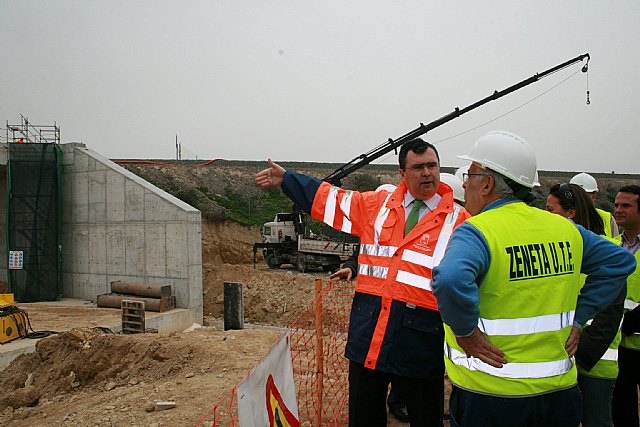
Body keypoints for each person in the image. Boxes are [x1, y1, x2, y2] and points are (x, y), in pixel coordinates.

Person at [256, 138, 470, 426]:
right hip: (370, 336)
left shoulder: (459, 221)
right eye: (418, 167)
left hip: (420, 340)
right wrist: (288, 180)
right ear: (402, 174)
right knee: (363, 416)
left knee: (426, 417)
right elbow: (329, 199)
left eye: (432, 166)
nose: (427, 173)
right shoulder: (376, 207)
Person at [431, 130, 635, 427]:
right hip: (559, 393)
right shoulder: (564, 228)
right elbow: (620, 261)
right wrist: (581, 317)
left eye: (471, 175)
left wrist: (467, 335)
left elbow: (448, 279)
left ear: (487, 183)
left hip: (491, 394)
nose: (465, 184)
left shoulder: (478, 230)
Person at [329, 183, 410, 424]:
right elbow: (363, 256)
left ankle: (398, 400)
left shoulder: (406, 227)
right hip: (372, 310)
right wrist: (351, 267)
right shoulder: (369, 228)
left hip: (403, 305)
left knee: (400, 360)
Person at [547, 183, 625, 427]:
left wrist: (581, 357)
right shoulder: (557, 252)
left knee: (597, 421)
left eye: (550, 210)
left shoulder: (606, 253)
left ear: (571, 213)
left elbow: (608, 317)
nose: (544, 216)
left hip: (595, 365)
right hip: (562, 361)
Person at [612, 185, 640, 427]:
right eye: (617, 205)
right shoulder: (610, 246)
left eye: (626, 205)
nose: (618, 210)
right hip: (619, 345)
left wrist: (631, 323)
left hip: (634, 335)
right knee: (622, 409)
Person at [570, 172, 619, 237]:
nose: (580, 198)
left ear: (594, 196)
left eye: (584, 195)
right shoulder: (561, 216)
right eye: (577, 194)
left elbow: (616, 244)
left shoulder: (607, 219)